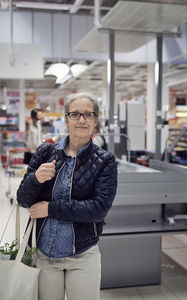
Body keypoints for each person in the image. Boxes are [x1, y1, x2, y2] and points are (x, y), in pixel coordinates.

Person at [17, 92, 118, 300]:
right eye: (75, 114)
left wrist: (50, 208)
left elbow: (98, 209)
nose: (82, 120)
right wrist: (36, 178)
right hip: (44, 255)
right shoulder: (46, 152)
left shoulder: (105, 161)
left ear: (95, 121)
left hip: (82, 255)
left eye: (88, 114)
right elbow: (23, 199)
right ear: (66, 119)